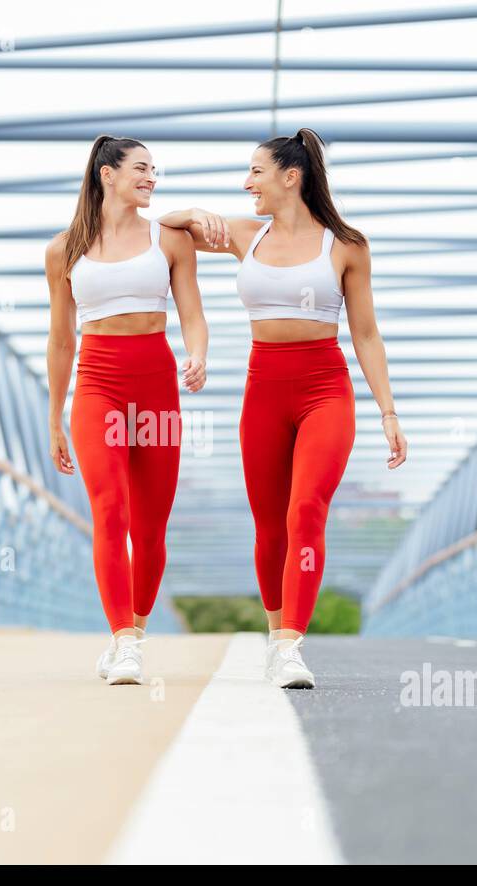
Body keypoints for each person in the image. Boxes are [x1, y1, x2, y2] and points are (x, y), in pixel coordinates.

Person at [160, 127, 406, 689]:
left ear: (290, 177)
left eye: (256, 172)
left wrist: (388, 412)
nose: (246, 183)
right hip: (263, 389)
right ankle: (276, 637)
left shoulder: (346, 244)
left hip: (325, 389)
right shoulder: (245, 234)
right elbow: (164, 228)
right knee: (271, 528)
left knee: (306, 512)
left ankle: (292, 645)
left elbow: (366, 335)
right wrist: (196, 209)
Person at [45, 135, 209, 685]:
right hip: (97, 387)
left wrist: (198, 354)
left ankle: (132, 632)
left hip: (156, 386)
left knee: (151, 526)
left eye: (154, 170)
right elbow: (61, 340)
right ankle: (123, 641)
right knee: (109, 510)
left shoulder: (171, 240)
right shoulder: (63, 249)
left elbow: (192, 312)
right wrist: (54, 418)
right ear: (106, 174)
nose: (152, 178)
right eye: (141, 169)